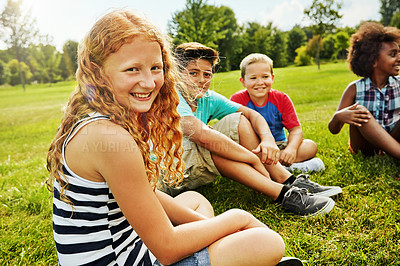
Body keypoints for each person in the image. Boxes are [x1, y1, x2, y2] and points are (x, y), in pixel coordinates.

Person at [46, 9, 300, 266]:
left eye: (156, 68)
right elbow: (167, 248)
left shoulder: (103, 119)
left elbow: (149, 194)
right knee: (268, 243)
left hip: (132, 245)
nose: (148, 82)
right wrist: (237, 220)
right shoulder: (109, 136)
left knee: (196, 202)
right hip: (124, 260)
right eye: (132, 69)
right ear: (98, 73)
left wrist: (218, 229)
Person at [159, 42, 342, 218]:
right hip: (167, 175)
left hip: (191, 164)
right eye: (193, 73)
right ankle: (282, 194)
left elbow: (253, 115)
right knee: (213, 144)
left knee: (237, 119)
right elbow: (203, 136)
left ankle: (284, 178)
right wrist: (253, 159)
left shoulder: (208, 97)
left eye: (207, 74)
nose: (201, 80)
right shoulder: (171, 96)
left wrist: (268, 140)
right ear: (177, 74)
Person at [231, 53, 325, 173]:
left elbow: (295, 130)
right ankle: (285, 168)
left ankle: (272, 166)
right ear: (243, 81)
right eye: (253, 78)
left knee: (310, 146)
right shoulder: (237, 100)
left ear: (272, 78)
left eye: (265, 77)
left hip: (278, 146)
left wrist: (291, 149)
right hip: (252, 149)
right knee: (235, 154)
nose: (260, 82)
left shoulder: (281, 99)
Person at [328, 22, 400, 160]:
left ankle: (392, 151)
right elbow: (333, 129)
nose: (399, 59)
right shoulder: (354, 89)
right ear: (373, 61)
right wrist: (338, 117)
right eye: (393, 54)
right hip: (365, 147)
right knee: (360, 111)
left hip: (394, 138)